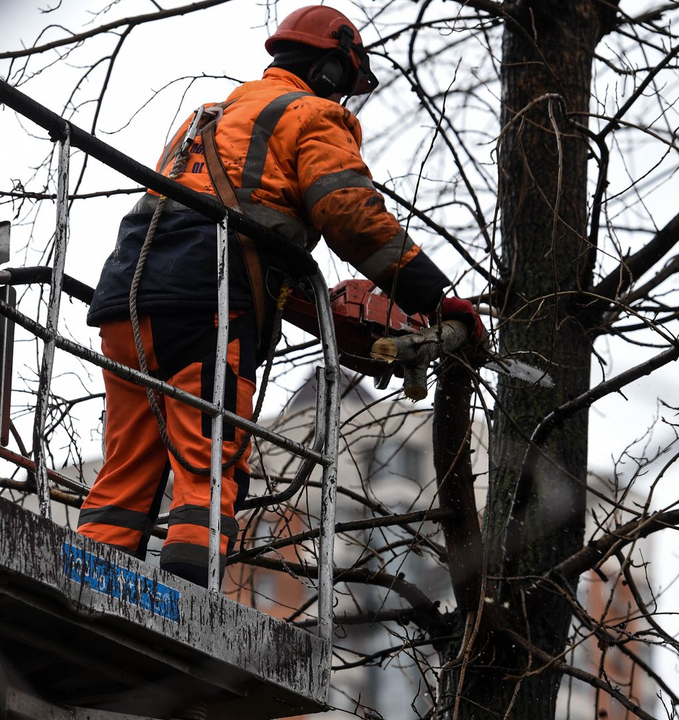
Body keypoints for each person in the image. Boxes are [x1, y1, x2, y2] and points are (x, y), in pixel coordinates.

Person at [77, 5, 484, 587]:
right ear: (329, 72)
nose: (345, 100)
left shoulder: (211, 116)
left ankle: (87, 584)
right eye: (345, 85)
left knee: (126, 472)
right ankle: (186, 609)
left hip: (127, 300)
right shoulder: (313, 115)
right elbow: (348, 212)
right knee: (207, 468)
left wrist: (326, 313)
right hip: (207, 305)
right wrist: (434, 297)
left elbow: (235, 222)